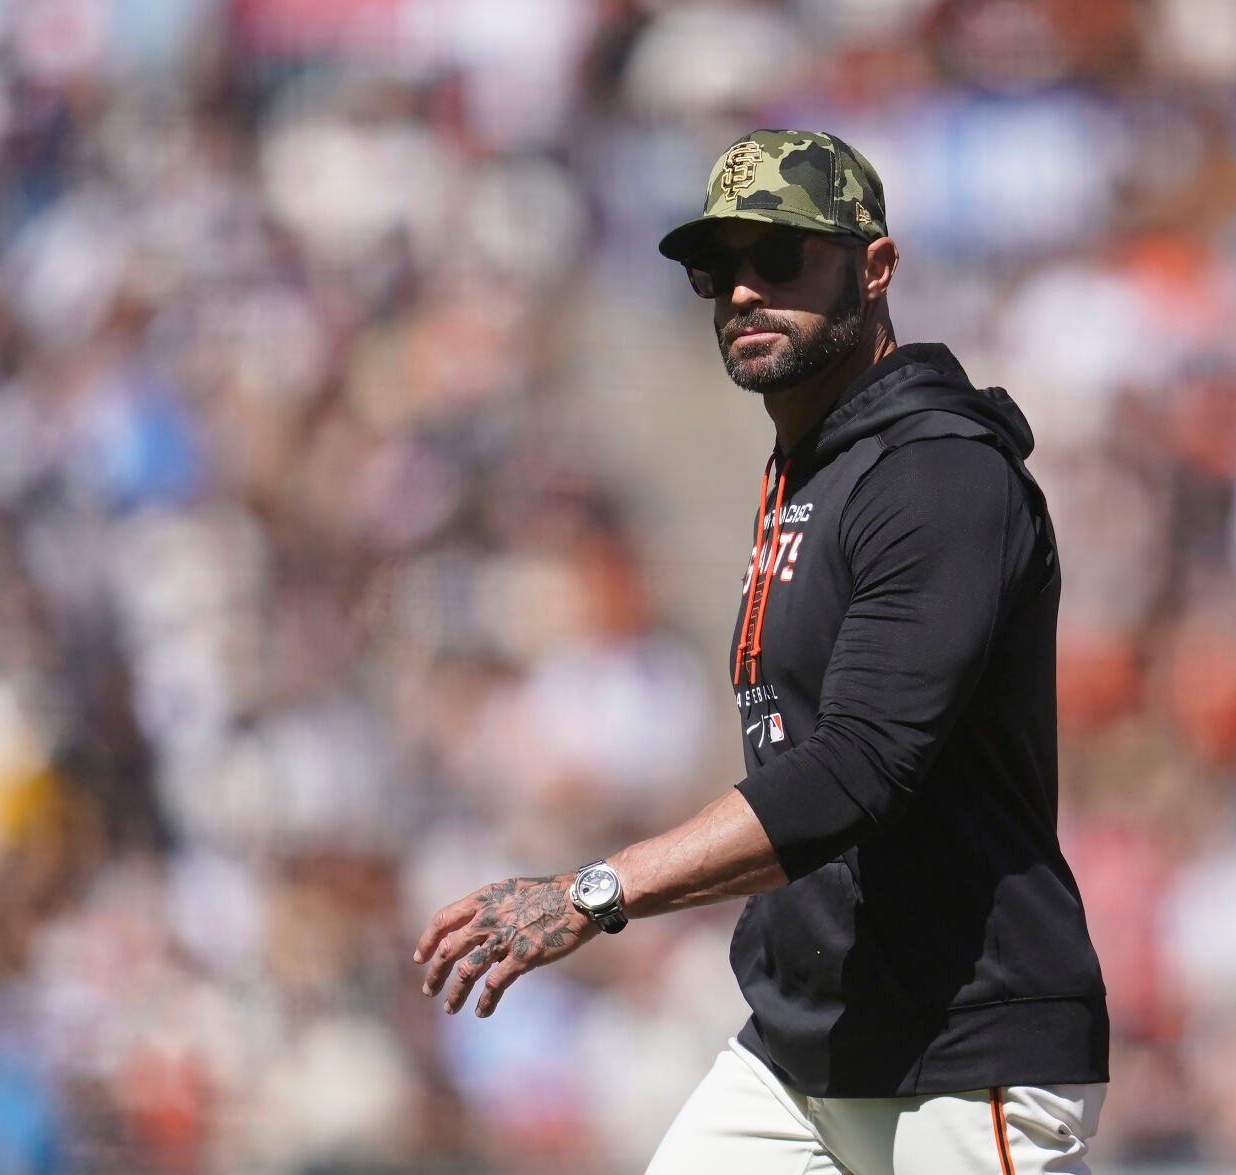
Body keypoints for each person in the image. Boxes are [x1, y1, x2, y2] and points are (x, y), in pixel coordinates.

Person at [414, 129, 1110, 1173]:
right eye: (716, 267)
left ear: (875, 267)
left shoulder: (937, 473)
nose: (743, 291)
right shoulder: (810, 466)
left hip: (963, 1048)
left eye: (780, 257)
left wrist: (594, 891)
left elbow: (857, 769)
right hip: (804, 1046)